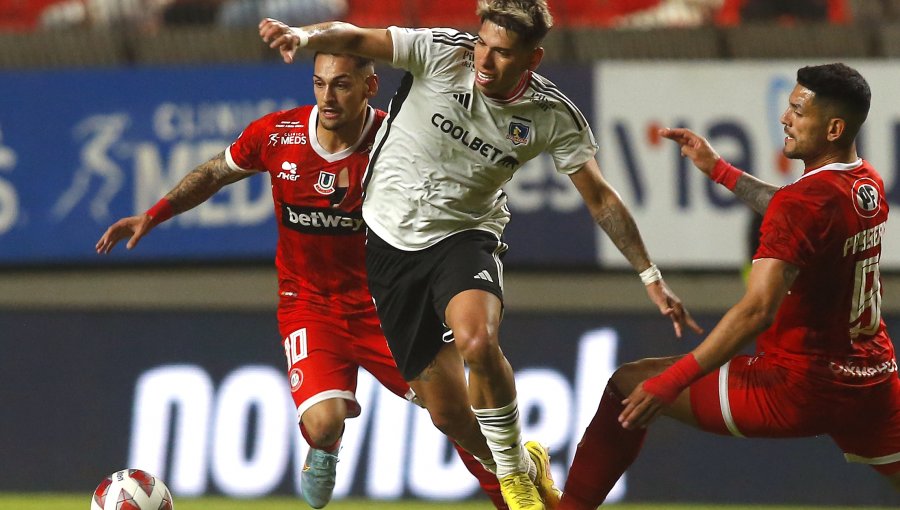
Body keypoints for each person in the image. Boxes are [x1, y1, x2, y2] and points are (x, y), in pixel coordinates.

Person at [259, 1, 701, 508]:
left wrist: (649, 274)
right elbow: (356, 38)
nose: (484, 62)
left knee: (475, 338)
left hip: (465, 237)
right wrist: (302, 34)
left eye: (502, 53)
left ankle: (513, 476)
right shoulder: (441, 54)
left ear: (532, 60)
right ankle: (520, 460)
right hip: (388, 244)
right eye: (482, 45)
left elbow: (601, 198)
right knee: (447, 413)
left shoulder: (551, 115)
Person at [95, 52, 508, 510]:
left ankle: (519, 496)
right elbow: (215, 172)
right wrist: (154, 215)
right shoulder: (278, 135)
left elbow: (455, 201)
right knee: (323, 422)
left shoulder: (399, 142)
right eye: (319, 83)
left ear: (370, 87)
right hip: (310, 306)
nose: (328, 97)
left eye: (342, 85)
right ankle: (323, 447)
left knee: (454, 418)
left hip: (388, 307)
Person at [558, 63, 900, 509]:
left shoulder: (803, 204)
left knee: (628, 383)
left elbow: (757, 310)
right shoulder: (866, 184)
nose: (785, 118)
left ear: (834, 127)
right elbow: (794, 211)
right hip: (872, 382)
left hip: (796, 386)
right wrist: (719, 171)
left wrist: (671, 382)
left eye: (798, 109)